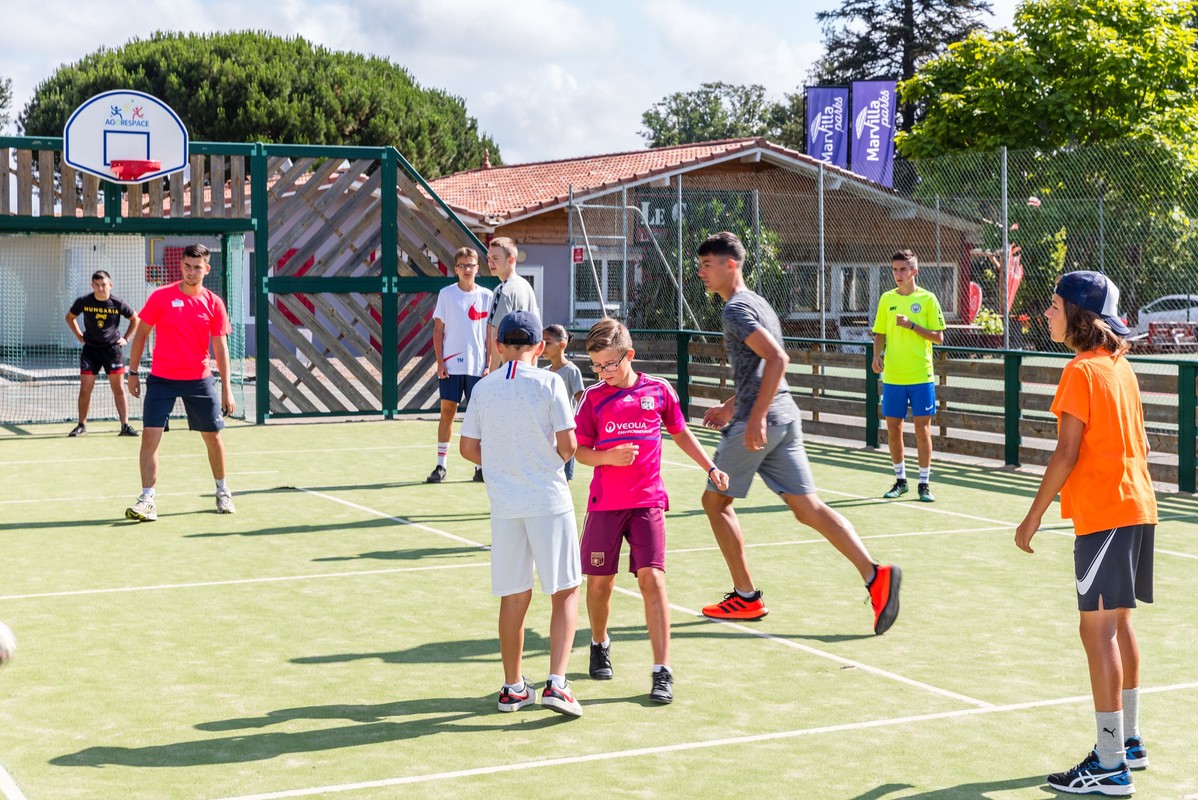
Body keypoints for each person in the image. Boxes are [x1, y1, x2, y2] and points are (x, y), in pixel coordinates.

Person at [695, 231, 901, 635]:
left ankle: (746, 597)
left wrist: (752, 418)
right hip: (784, 416)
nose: (700, 273)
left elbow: (777, 358)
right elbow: (758, 368)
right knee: (808, 508)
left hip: (763, 421)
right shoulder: (758, 304)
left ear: (729, 265)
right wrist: (731, 406)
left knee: (715, 502)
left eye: (707, 265)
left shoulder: (736, 309)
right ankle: (875, 575)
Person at [1016, 271, 1156, 797]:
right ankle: (1131, 742)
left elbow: (1066, 453)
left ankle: (1110, 762)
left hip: (1105, 513)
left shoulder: (1079, 371)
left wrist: (1032, 516)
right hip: (1138, 506)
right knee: (1118, 625)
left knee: (1095, 632)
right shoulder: (1121, 368)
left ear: (1078, 314)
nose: (1046, 313)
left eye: (1053, 305)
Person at [575, 318, 729, 704]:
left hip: (647, 504)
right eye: (596, 366)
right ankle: (599, 642)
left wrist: (709, 466)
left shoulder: (658, 391)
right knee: (599, 584)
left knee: (652, 580)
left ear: (629, 355)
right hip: (605, 506)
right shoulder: (593, 398)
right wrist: (608, 456)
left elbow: (680, 432)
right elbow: (579, 451)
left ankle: (662, 671)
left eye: (609, 364)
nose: (602, 372)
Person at [459, 309, 583, 718]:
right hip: (549, 500)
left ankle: (513, 688)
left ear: (498, 346)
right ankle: (558, 685)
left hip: (506, 505)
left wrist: (502, 465)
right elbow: (569, 446)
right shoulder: (550, 383)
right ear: (540, 347)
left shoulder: (483, 388)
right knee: (564, 590)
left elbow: (468, 449)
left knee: (513, 596)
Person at [124, 244, 237, 521]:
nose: (191, 272)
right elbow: (141, 335)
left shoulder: (214, 303)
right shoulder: (161, 297)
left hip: (199, 380)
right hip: (162, 379)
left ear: (206, 269)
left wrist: (226, 388)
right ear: (181, 266)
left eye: (197, 267)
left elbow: (220, 348)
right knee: (150, 436)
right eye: (187, 266)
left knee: (212, 436)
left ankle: (223, 491)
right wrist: (133, 372)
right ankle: (147, 500)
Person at [871, 249, 945, 502]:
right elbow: (880, 333)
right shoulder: (886, 299)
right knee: (893, 428)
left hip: (921, 376)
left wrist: (912, 325)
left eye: (903, 269)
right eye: (894, 270)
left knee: (922, 430)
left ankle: (924, 483)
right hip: (893, 376)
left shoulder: (928, 299)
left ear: (914, 271)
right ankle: (900, 481)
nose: (898, 274)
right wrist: (876, 356)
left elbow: (938, 336)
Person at [426, 247, 493, 484]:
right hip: (451, 367)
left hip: (478, 368)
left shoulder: (487, 296)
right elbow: (438, 329)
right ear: (455, 269)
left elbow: (489, 332)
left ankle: (481, 466)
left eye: (471, 265)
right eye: (462, 265)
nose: (467, 269)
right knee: (448, 413)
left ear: (477, 267)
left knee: (479, 417)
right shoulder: (446, 294)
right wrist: (440, 362)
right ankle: (441, 466)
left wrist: (489, 363)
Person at [65, 270, 140, 437]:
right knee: (85, 389)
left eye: (103, 285)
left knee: (118, 388)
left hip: (112, 351)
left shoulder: (117, 303)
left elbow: (136, 319)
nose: (100, 288)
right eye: (96, 285)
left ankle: (125, 426)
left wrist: (126, 339)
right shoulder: (84, 301)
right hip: (90, 351)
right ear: (92, 285)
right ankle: (81, 425)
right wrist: (79, 336)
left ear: (110, 285)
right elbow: (69, 317)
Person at [486, 237, 540, 372]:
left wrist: (491, 373)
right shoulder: (527, 286)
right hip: (528, 367)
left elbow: (497, 335)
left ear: (511, 260)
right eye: (488, 258)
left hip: (509, 371)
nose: (490, 262)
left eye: (495, 258)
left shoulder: (502, 290)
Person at [542, 324, 584, 480]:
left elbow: (581, 402)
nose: (543, 346)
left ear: (562, 345)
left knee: (563, 478)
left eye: (548, 342)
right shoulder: (544, 372)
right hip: (547, 433)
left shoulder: (572, 371)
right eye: (541, 341)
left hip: (565, 432)